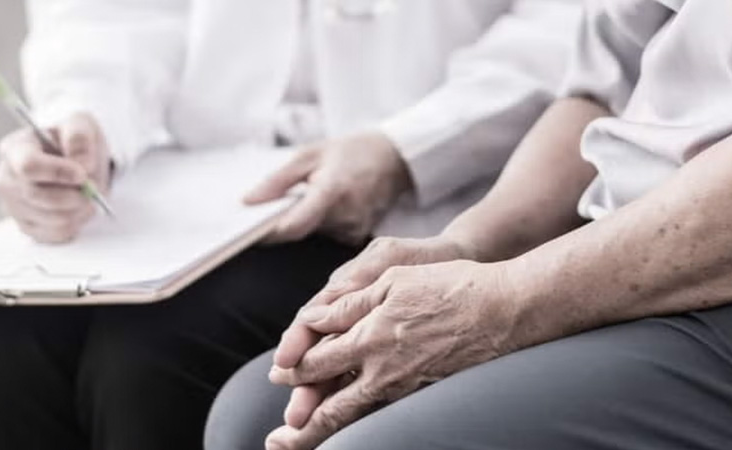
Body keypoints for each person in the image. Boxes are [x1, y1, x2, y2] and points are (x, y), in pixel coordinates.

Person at [0, 1, 583, 449]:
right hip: (187, 183)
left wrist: (407, 146)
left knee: (155, 355)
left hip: (441, 181)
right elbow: (111, 14)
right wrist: (87, 116)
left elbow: (575, 29)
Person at [205, 0, 732, 449]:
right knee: (254, 417)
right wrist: (473, 245)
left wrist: (507, 300)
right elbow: (605, 88)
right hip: (618, 238)